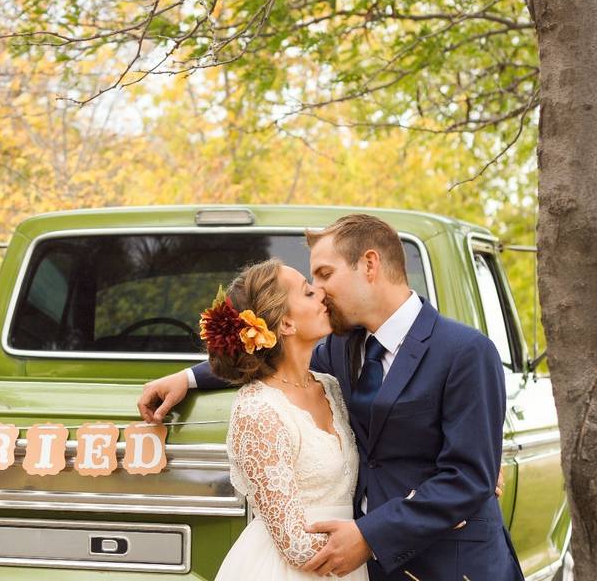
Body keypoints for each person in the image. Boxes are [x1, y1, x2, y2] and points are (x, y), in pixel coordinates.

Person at [138, 214, 523, 581]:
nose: (319, 291)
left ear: (369, 265)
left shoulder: (465, 351)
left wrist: (370, 536)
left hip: (451, 563)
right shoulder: (340, 349)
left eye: (324, 274)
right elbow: (272, 357)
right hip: (361, 569)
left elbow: (469, 477)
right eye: (311, 283)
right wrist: (188, 378)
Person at [197, 258, 367, 581]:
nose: (321, 293)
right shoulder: (258, 409)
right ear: (286, 324)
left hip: (347, 564)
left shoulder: (330, 387)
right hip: (289, 570)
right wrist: (370, 543)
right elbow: (295, 545)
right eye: (307, 292)